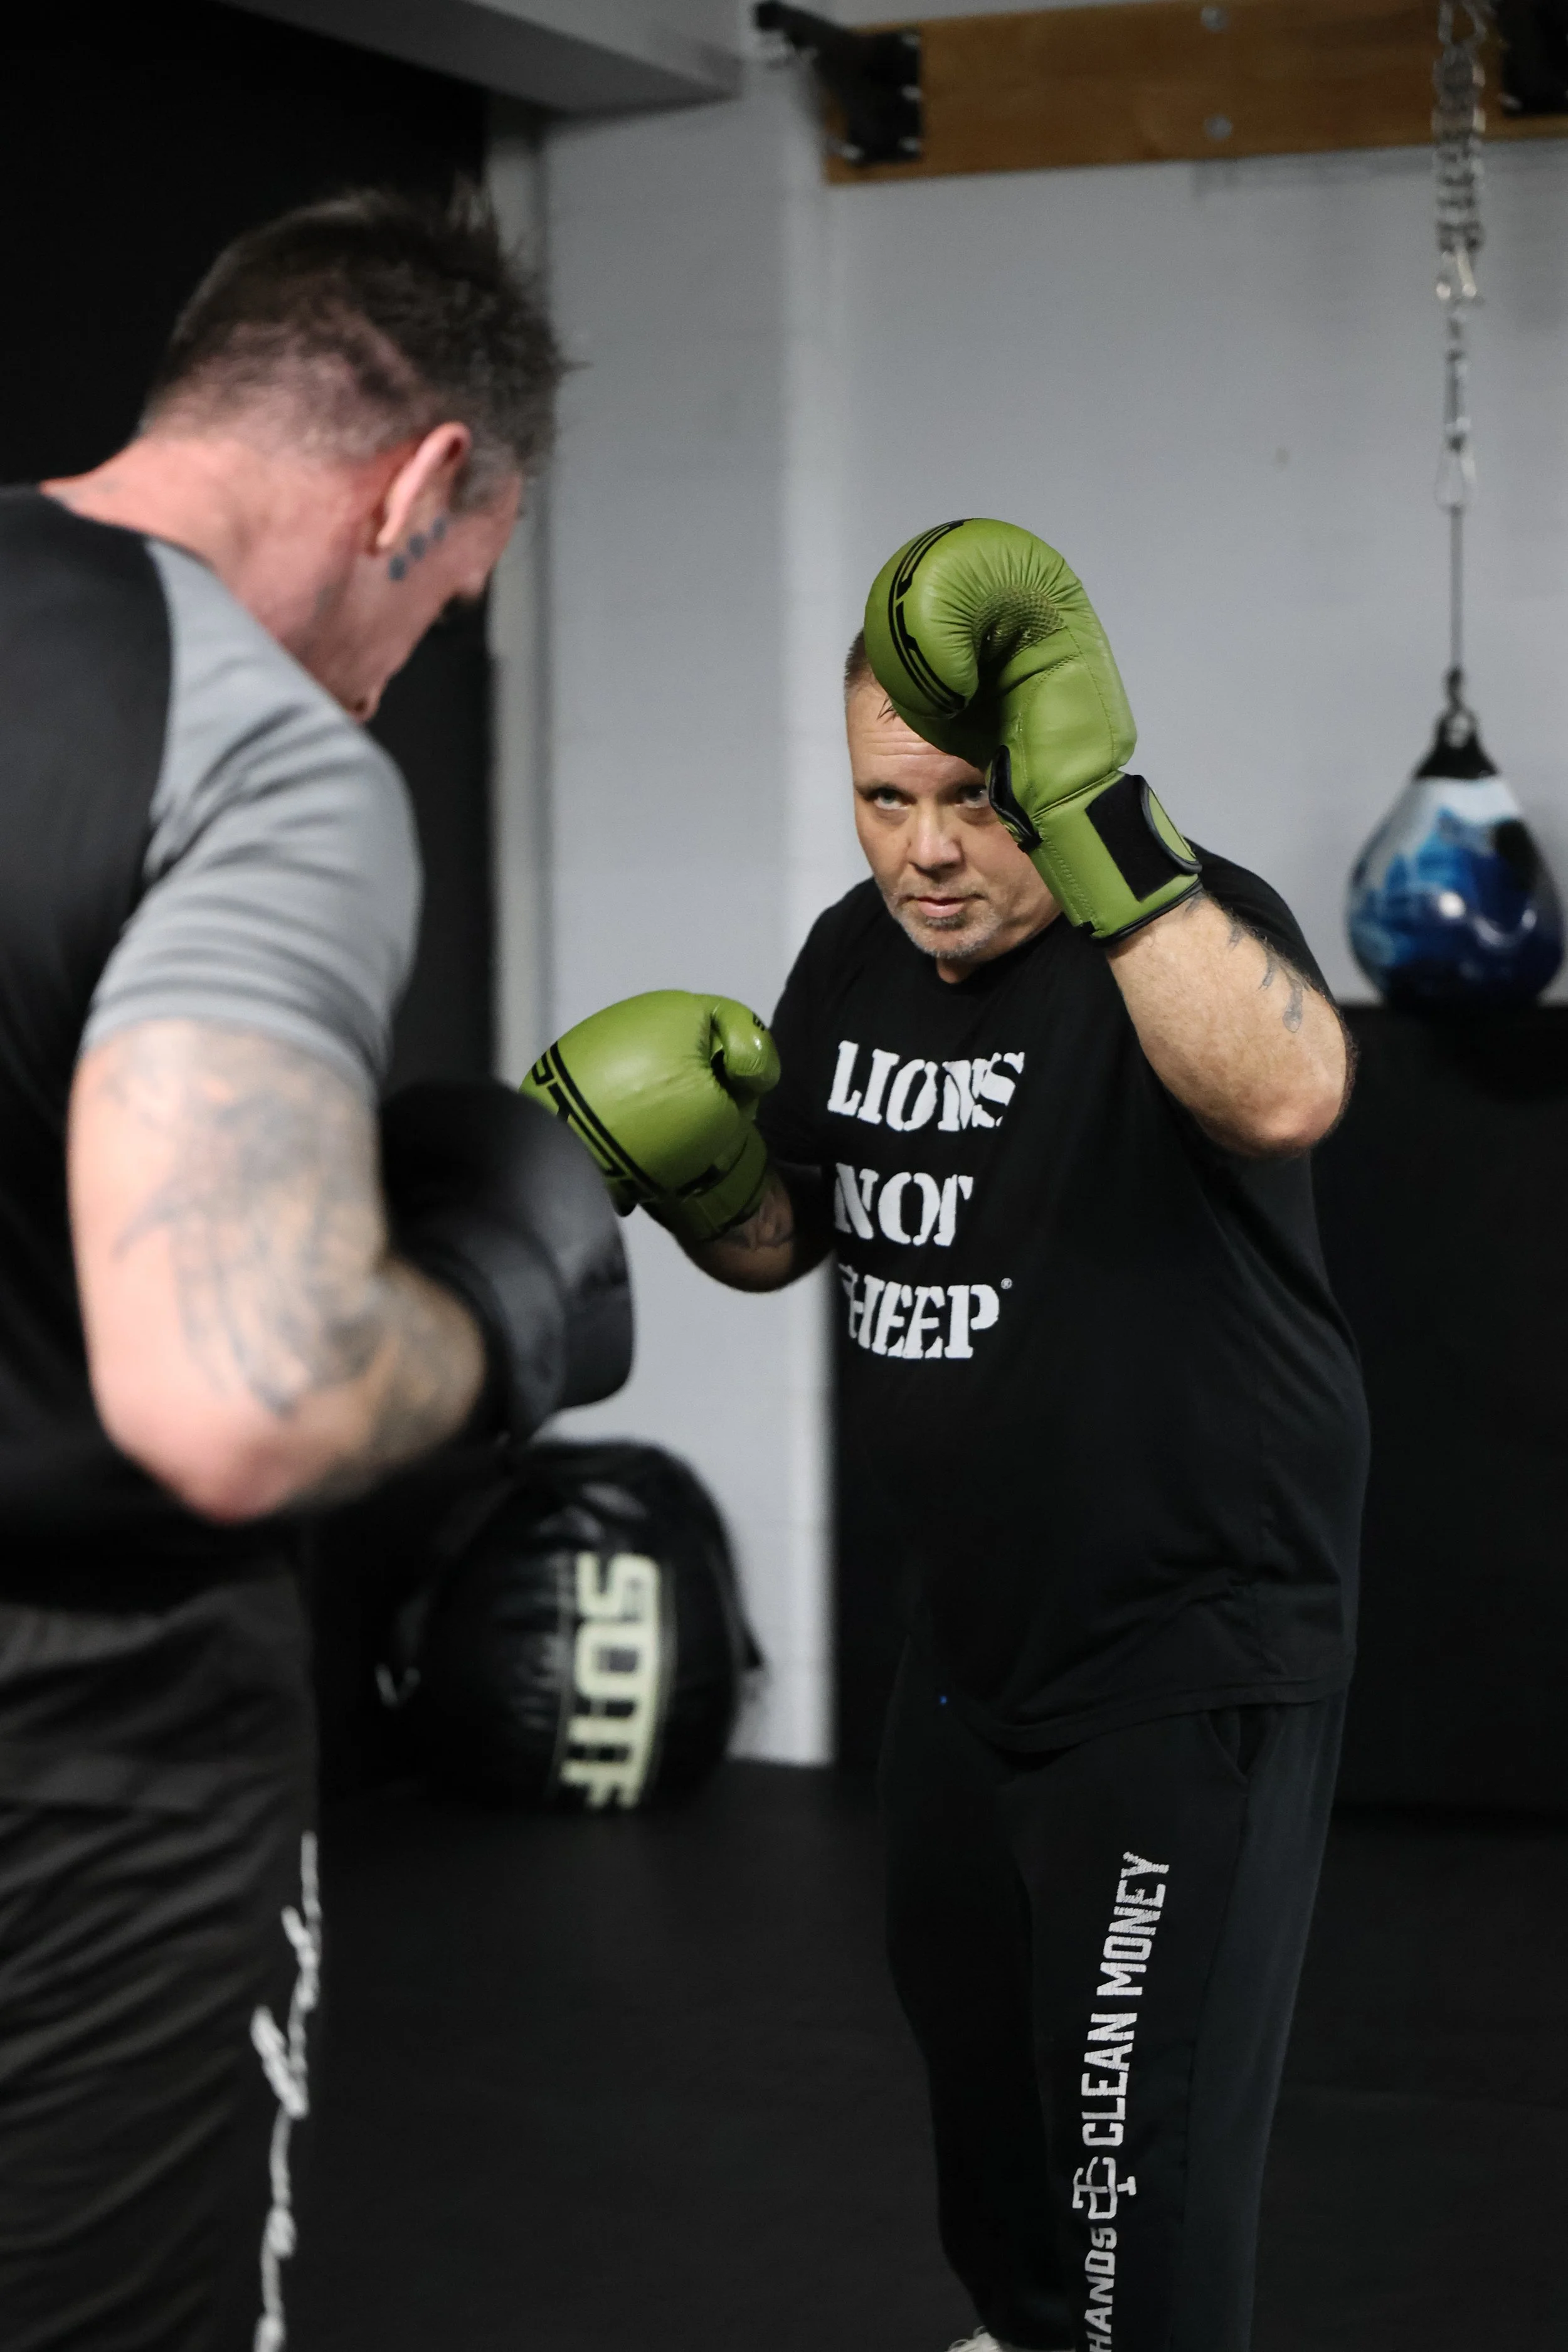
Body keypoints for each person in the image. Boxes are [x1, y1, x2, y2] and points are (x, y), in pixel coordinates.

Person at [523, 521, 1370, 2352]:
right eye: (882, 798)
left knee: (1132, 2183)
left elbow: (1292, 1088)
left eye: (975, 801)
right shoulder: (854, 956)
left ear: (1049, 772)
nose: (922, 848)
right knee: (991, 2148)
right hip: (967, 1652)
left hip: (1183, 1652)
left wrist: (1107, 836)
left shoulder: (1180, 938)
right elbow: (794, 1240)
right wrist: (680, 1172)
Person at [0, 187, 628, 2351]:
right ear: (423, 483)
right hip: (84, 1774)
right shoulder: (252, 744)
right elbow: (239, 1391)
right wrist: (492, 1308)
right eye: (441, 609)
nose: (388, 681)